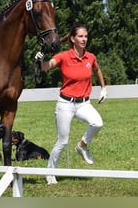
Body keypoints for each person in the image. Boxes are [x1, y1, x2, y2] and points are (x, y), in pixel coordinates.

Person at [35, 23, 107, 184]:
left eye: (86, 36)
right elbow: (47, 66)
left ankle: (82, 146)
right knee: (63, 141)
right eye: (80, 36)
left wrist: (103, 88)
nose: (84, 39)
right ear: (73, 39)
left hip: (83, 104)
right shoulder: (64, 56)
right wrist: (40, 61)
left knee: (98, 123)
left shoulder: (91, 57)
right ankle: (50, 173)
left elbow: (97, 70)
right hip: (65, 104)